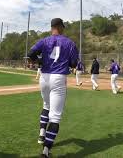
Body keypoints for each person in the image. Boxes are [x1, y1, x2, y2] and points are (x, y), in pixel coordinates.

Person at [27, 18, 78, 158]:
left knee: (46, 105)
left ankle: (41, 134)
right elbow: (74, 63)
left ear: (51, 27)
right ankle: (45, 151)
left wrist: (39, 61)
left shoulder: (44, 41)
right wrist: (68, 62)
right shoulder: (69, 42)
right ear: (61, 27)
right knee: (55, 117)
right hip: (58, 77)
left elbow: (30, 54)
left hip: (44, 77)